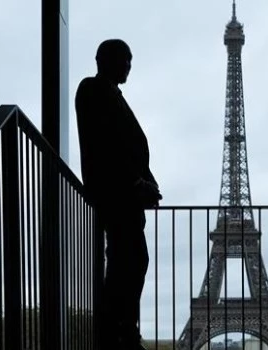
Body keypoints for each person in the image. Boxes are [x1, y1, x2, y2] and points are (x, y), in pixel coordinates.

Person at [75, 38, 162, 350]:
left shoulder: (108, 94)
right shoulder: (93, 90)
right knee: (132, 259)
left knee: (129, 260)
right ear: (105, 60)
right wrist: (137, 183)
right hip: (117, 193)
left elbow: (123, 146)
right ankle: (118, 330)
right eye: (125, 59)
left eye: (130, 60)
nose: (129, 66)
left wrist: (146, 182)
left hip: (123, 192)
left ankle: (121, 328)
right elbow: (107, 145)